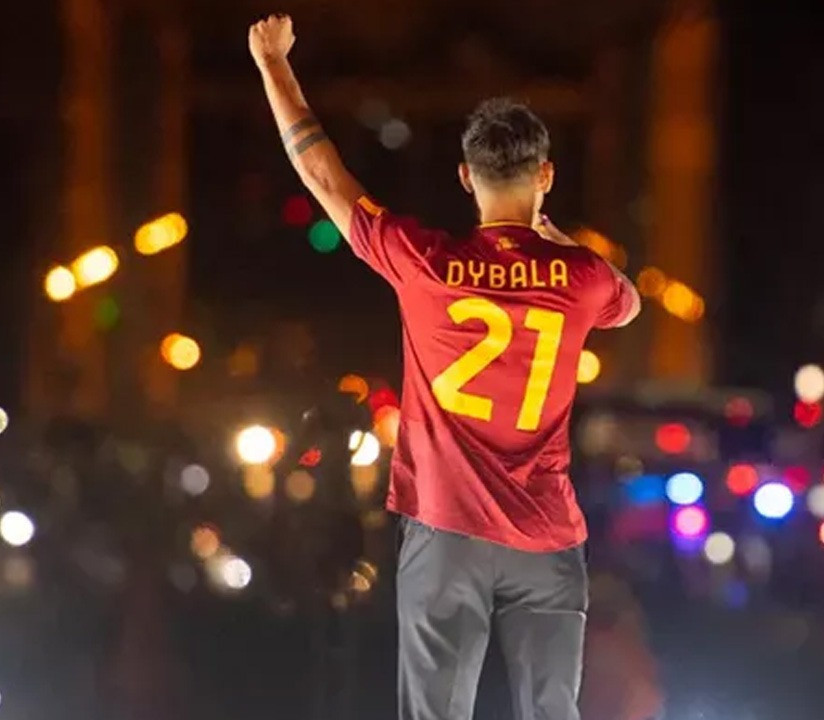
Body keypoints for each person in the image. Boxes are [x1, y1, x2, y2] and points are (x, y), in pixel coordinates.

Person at [248, 14, 641, 720]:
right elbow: (629, 303)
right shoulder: (581, 278)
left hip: (445, 530)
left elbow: (322, 173)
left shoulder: (422, 262)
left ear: (465, 177)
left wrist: (273, 63)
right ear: (546, 176)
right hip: (547, 539)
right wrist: (556, 240)